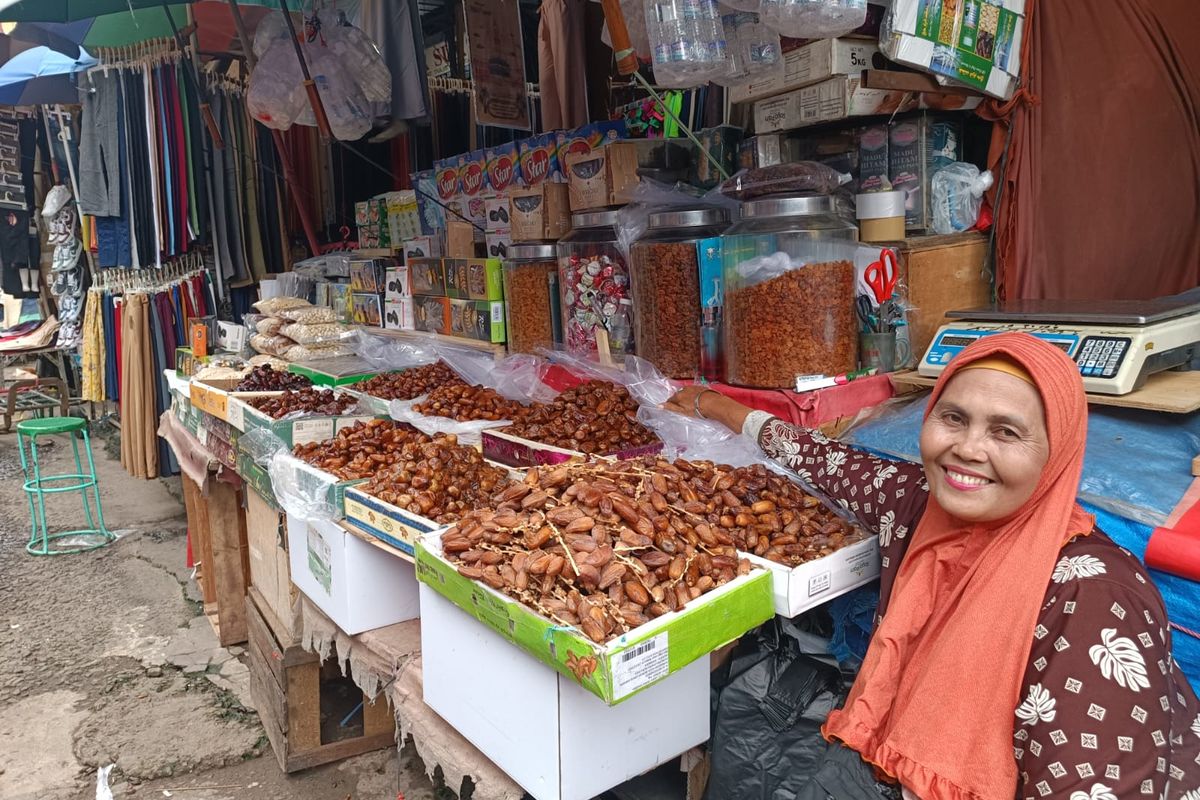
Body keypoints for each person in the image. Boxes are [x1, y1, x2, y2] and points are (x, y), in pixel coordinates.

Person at [665, 333, 1200, 800]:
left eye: (1006, 432)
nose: (967, 448)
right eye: (953, 418)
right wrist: (717, 406)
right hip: (891, 757)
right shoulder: (922, 503)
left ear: (1055, 453)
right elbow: (821, 458)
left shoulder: (1091, 595)